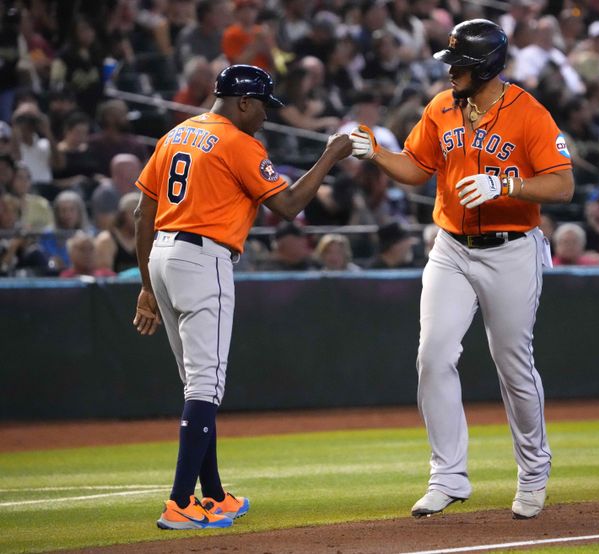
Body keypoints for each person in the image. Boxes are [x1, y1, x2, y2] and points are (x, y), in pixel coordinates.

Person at [349, 19, 574, 519]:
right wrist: (378, 155)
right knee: (432, 356)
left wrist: (507, 186)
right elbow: (415, 168)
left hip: (512, 249)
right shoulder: (441, 107)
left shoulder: (528, 113)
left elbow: (562, 185)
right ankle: (448, 476)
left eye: (460, 64)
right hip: (451, 246)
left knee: (512, 364)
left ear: (487, 66)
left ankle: (534, 470)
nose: (451, 71)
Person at [132, 64, 351, 530]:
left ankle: (212, 495)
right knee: (206, 385)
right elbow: (289, 206)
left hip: (163, 258)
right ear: (243, 102)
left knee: (196, 383)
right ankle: (179, 503)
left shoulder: (175, 134)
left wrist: (147, 288)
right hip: (202, 259)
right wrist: (331, 156)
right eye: (263, 108)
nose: (266, 118)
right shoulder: (237, 142)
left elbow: (141, 213)